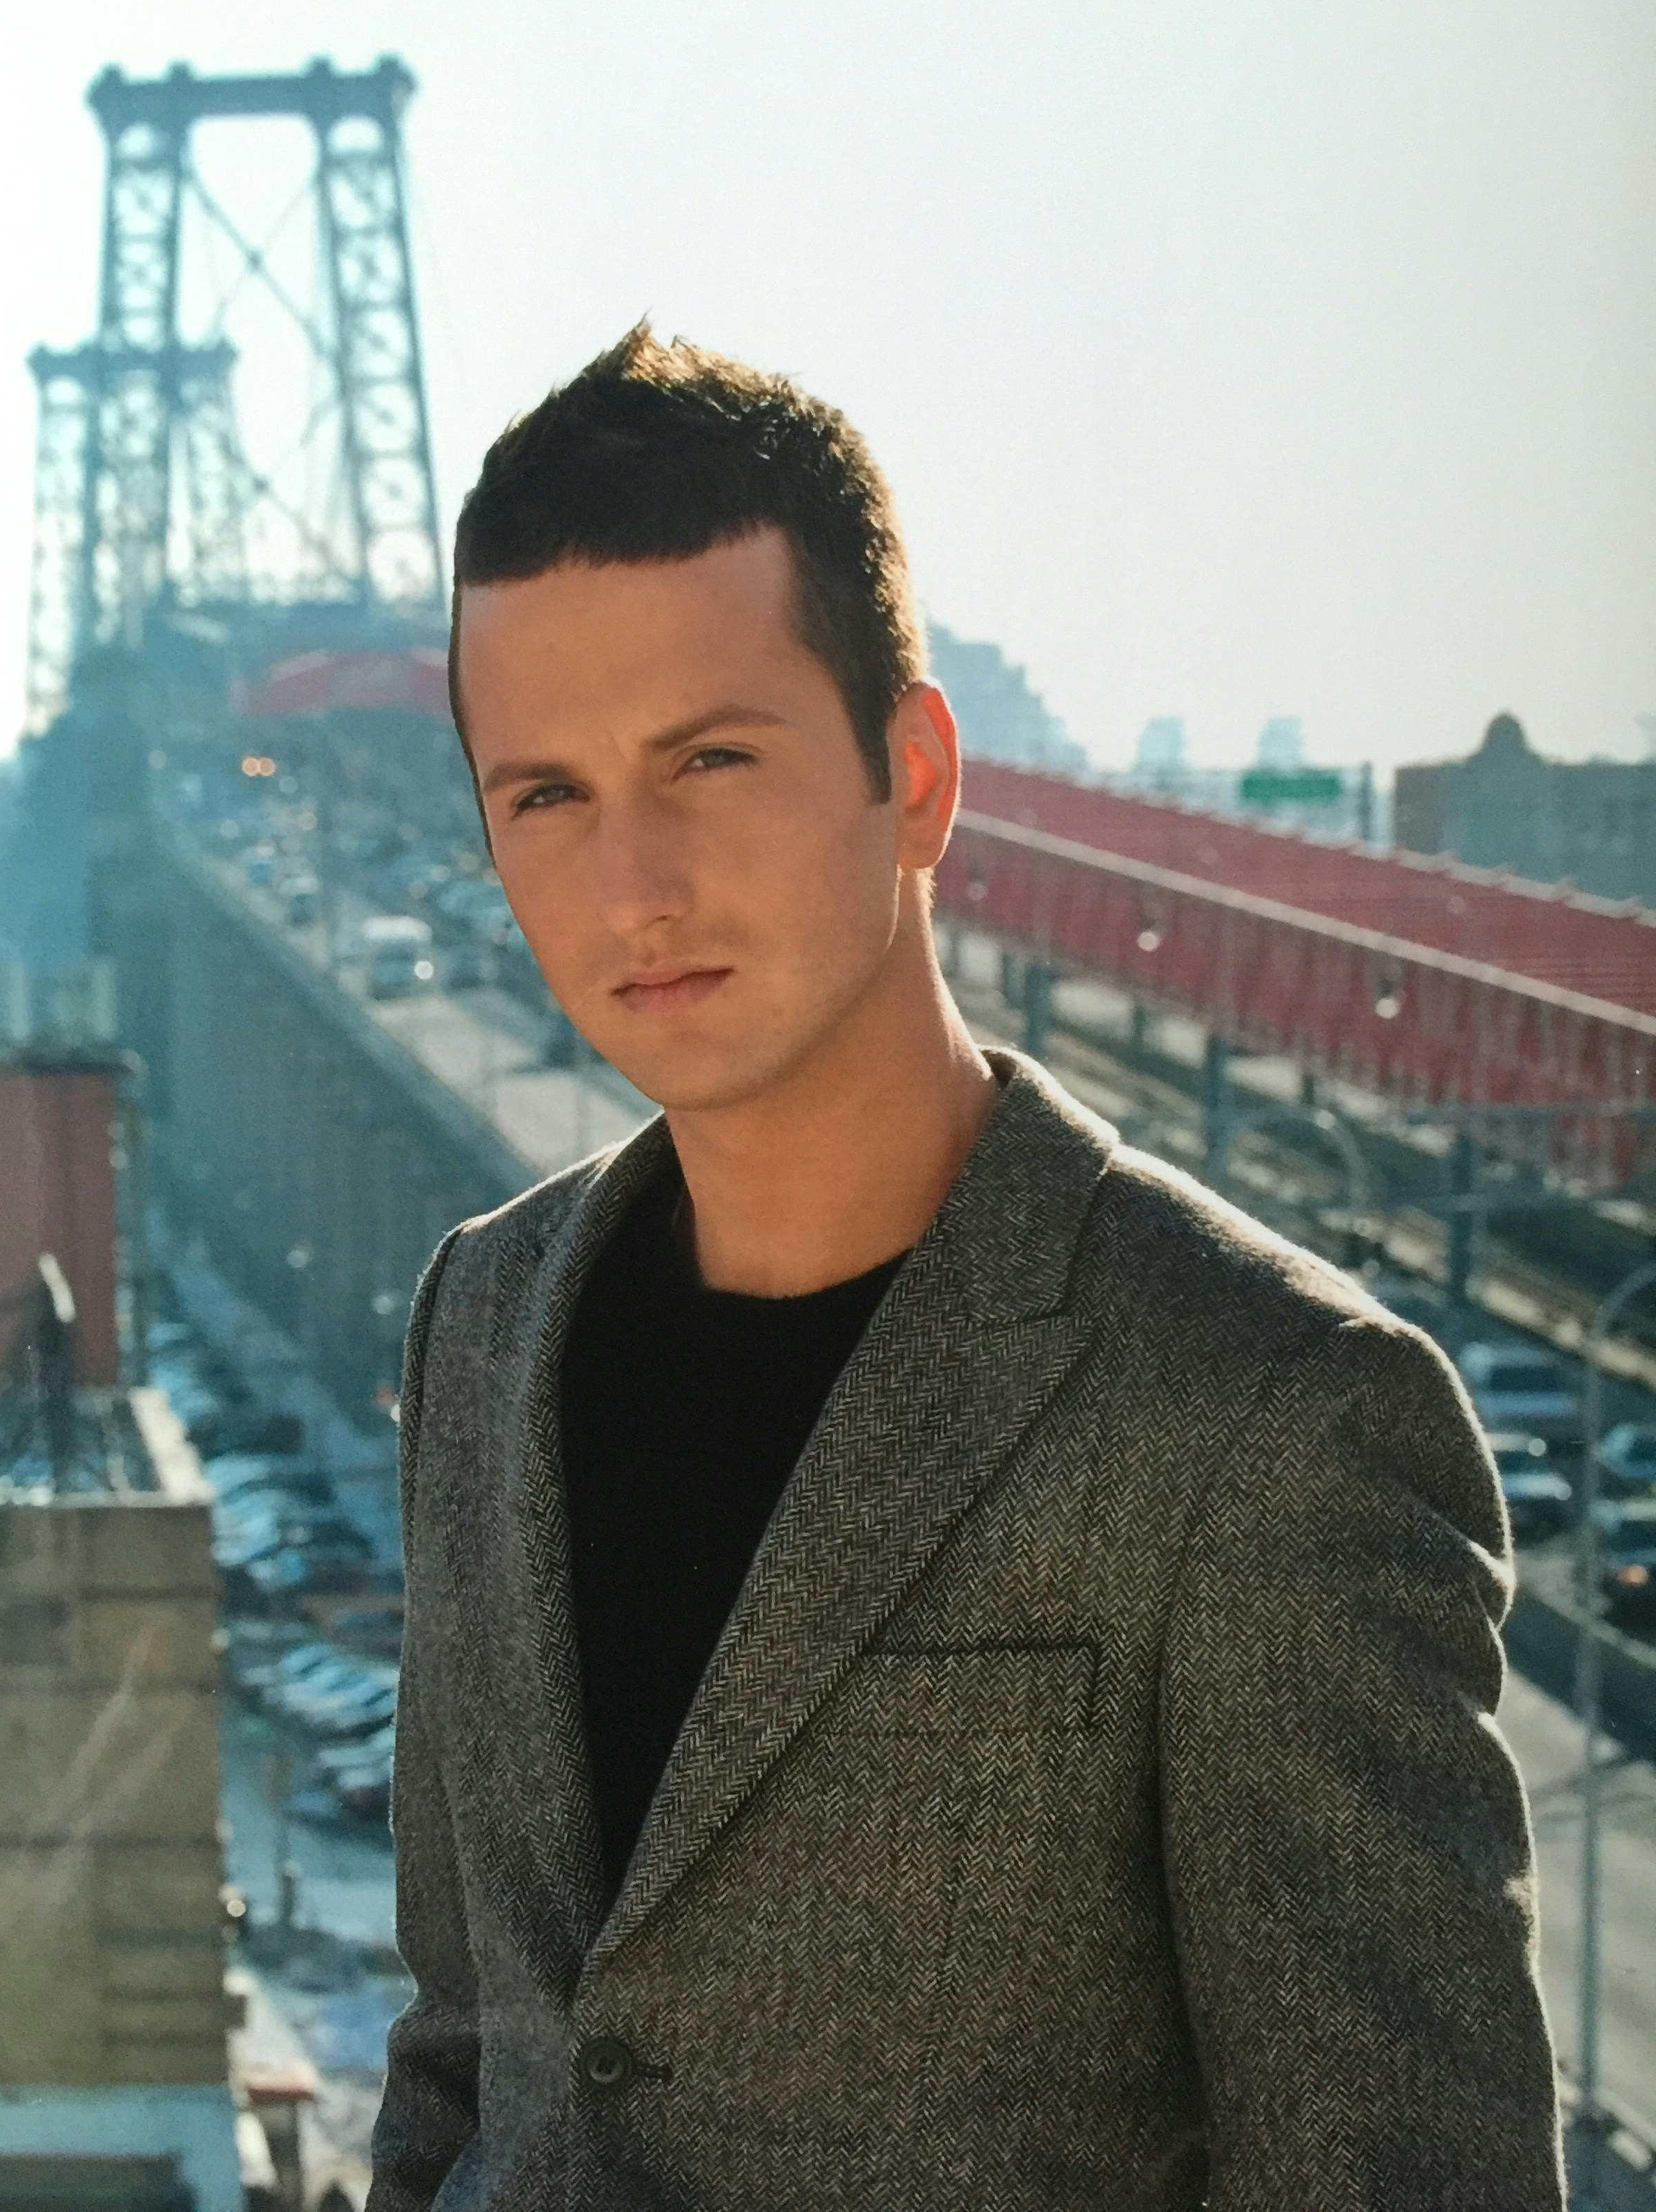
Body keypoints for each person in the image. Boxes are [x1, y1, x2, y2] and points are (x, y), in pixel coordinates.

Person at [367, 324, 1564, 2210]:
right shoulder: (482, 1323)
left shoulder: (1275, 1422)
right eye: (548, 796)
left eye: (712, 759)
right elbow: (469, 2048)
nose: (633, 886)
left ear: (915, 775)